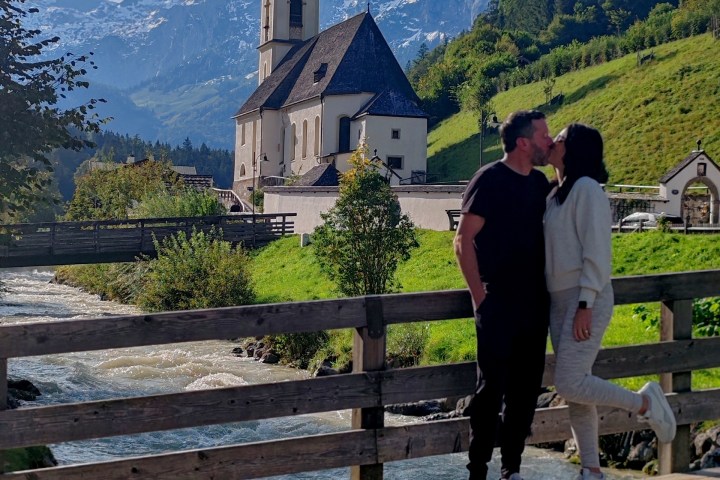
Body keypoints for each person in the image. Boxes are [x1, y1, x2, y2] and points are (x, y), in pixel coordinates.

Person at [543, 123, 677, 480]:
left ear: (574, 149)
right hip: (559, 302)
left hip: (586, 299)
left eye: (560, 138)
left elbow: (598, 252)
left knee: (570, 383)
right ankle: (591, 469)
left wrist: (586, 302)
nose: (553, 142)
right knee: (577, 391)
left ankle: (646, 402)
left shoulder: (587, 190)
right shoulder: (555, 195)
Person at [454, 109, 554, 480]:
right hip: (498, 303)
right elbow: (462, 240)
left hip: (534, 304)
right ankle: (477, 470)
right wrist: (480, 297)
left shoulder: (540, 183)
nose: (550, 141)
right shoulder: (489, 179)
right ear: (523, 142)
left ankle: (511, 469)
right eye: (544, 135)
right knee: (490, 390)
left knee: (525, 392)